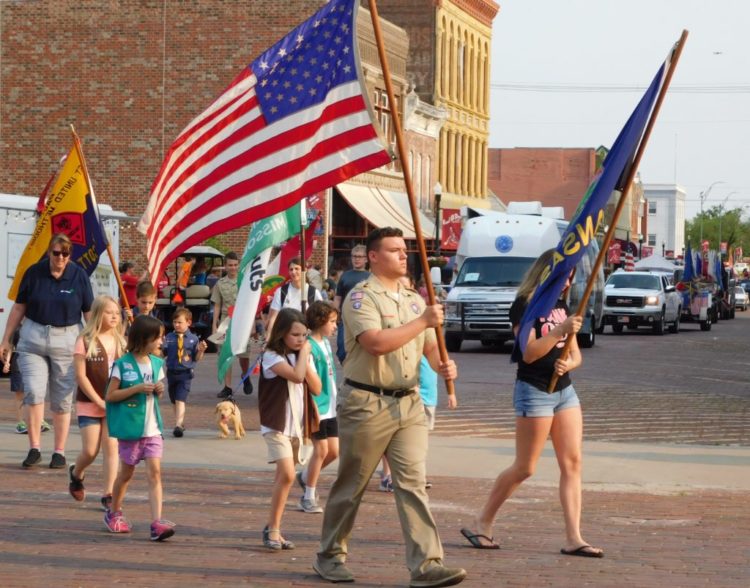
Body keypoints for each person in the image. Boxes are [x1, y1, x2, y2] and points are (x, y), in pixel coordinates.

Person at [314, 227, 465, 588]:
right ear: (373, 257)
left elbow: (429, 346)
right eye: (394, 249)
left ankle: (426, 564)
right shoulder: (361, 298)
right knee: (353, 484)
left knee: (413, 483)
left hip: (408, 403)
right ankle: (330, 555)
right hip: (367, 403)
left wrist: (443, 364)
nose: (403, 255)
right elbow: (376, 343)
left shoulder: (414, 300)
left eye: (404, 249)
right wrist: (423, 321)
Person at [460, 249, 603, 558]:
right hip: (534, 390)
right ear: (547, 273)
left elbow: (575, 354)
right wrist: (560, 330)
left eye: (570, 276)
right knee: (525, 467)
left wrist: (570, 363)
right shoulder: (525, 305)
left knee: (573, 462)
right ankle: (482, 521)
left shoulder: (562, 305)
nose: (568, 282)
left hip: (564, 391)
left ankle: (574, 537)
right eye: (563, 275)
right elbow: (528, 352)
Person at [0, 233, 94, 469]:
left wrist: (94, 340)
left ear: (70, 254)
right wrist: (6, 339)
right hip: (34, 337)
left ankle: (59, 451)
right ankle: (34, 448)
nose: (61, 258)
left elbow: (89, 312)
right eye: (56, 253)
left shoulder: (79, 276)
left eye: (65, 253)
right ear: (49, 252)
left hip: (67, 338)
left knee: (62, 398)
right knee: (33, 391)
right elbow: (19, 307)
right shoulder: (33, 273)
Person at [104, 314, 175, 541]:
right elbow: (110, 395)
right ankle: (114, 511)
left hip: (152, 429)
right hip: (131, 430)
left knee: (155, 473)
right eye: (158, 337)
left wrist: (159, 389)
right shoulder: (122, 364)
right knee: (126, 474)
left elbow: (157, 390)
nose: (161, 341)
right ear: (145, 338)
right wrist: (136, 388)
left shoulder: (157, 364)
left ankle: (157, 522)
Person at [258, 308, 321, 550]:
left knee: (283, 480)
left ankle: (273, 527)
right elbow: (295, 376)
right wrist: (304, 355)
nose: (300, 340)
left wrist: (305, 358)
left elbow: (316, 387)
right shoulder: (271, 356)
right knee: (287, 475)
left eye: (304, 335)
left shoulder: (302, 356)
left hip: (297, 425)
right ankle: (273, 529)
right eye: (295, 335)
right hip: (276, 424)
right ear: (282, 333)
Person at [68, 295, 126, 511]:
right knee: (91, 451)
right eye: (109, 312)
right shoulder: (85, 340)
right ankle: (76, 473)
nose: (114, 316)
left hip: (114, 404)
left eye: (117, 313)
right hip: (90, 403)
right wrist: (98, 401)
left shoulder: (122, 342)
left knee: (112, 447)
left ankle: (108, 493)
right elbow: (81, 376)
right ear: (97, 314)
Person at [296, 301, 339, 514]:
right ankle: (308, 496)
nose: (335, 326)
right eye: (332, 322)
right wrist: (312, 405)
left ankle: (305, 477)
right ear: (320, 321)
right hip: (317, 406)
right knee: (321, 450)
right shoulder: (309, 346)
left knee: (334, 451)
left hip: (330, 405)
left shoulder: (326, 343)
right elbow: (310, 380)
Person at [211, 252, 252, 398]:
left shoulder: (244, 281)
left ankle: (245, 375)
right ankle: (227, 387)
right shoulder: (220, 284)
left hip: (242, 320)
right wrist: (214, 325)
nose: (233, 268)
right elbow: (217, 305)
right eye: (230, 265)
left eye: (235, 265)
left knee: (244, 355)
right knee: (225, 354)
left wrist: (252, 323)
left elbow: (250, 303)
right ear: (225, 266)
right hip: (225, 321)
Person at [161, 307, 207, 437]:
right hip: (171, 372)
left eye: (180, 322)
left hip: (185, 373)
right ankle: (179, 422)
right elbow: (162, 354)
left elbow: (196, 358)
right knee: (174, 400)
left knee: (180, 398)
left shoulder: (193, 339)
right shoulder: (169, 337)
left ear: (188, 322)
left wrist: (201, 350)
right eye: (174, 322)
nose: (176, 325)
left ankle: (178, 425)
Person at [3, 326, 51, 435]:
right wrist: (7, 362)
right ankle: (21, 423)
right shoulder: (16, 329)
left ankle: (40, 420)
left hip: (35, 362)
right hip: (19, 362)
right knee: (20, 394)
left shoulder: (39, 327)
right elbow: (11, 347)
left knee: (38, 392)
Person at [266, 257, 323, 336]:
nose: (293, 272)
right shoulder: (281, 291)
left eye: (297, 269)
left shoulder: (313, 292)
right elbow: (274, 317)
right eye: (291, 269)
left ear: (304, 270)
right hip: (286, 335)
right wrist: (269, 336)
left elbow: (321, 316)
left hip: (306, 337)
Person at [333, 244, 369, 364]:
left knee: (362, 347)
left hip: (363, 317)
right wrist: (335, 314)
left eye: (359, 256)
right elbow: (338, 298)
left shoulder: (371, 277)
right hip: (345, 317)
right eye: (354, 256)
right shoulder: (345, 275)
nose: (356, 259)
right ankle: (346, 365)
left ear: (366, 259)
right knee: (341, 347)